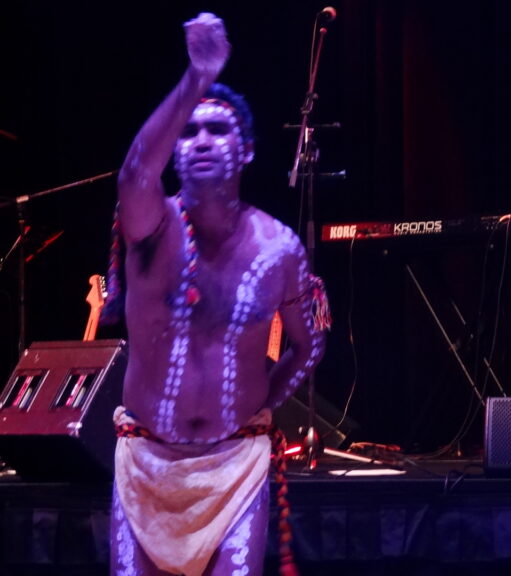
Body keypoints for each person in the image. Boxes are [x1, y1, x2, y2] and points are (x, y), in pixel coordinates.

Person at [106, 13, 327, 576]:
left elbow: (309, 345)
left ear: (248, 150)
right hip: (146, 462)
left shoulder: (280, 249)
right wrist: (196, 79)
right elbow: (134, 171)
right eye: (188, 133)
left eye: (218, 130)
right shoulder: (149, 226)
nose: (200, 141)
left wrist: (260, 409)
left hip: (236, 466)